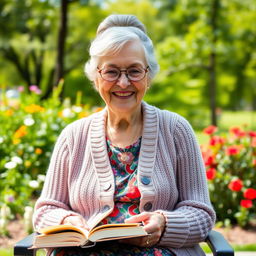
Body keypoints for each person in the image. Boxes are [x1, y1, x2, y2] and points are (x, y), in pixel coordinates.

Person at [33, 14, 216, 256]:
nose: (123, 82)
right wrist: (69, 221)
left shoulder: (176, 130)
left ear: (148, 76)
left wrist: (164, 224)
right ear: (96, 78)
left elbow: (201, 213)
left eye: (134, 71)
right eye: (111, 72)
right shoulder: (73, 136)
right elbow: (46, 210)